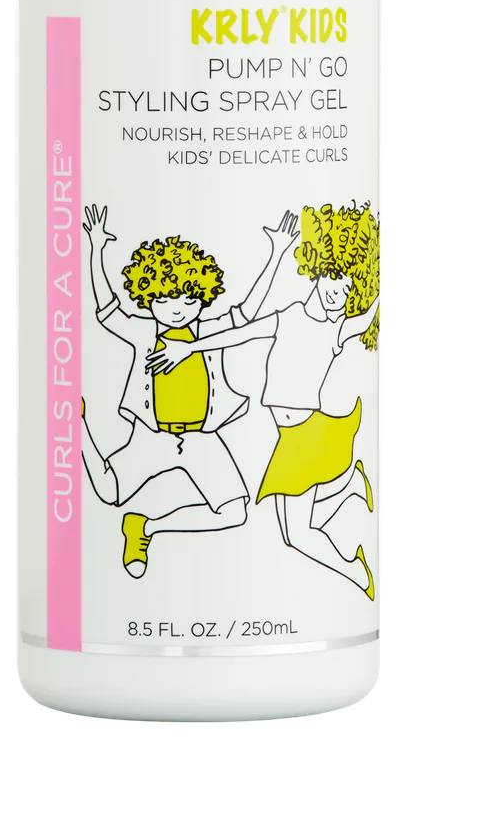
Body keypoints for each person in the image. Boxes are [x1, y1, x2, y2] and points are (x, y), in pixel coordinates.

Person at [147, 201, 379, 598]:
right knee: (295, 531)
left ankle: (359, 572)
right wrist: (191, 348)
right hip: (292, 436)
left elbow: (365, 317)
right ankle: (350, 486)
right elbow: (239, 333)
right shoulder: (287, 315)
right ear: (317, 271)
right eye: (333, 280)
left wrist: (375, 291)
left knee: (296, 534)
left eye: (347, 290)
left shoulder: (337, 331)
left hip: (308, 435)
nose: (336, 294)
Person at [80, 204, 299, 577]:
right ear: (149, 299)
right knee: (108, 491)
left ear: (202, 297)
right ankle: (76, 425)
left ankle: (145, 527)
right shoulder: (144, 332)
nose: (177, 309)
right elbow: (108, 311)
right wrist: (96, 249)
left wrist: (277, 253)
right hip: (152, 437)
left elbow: (247, 312)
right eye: (165, 300)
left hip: (201, 439)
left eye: (188, 299)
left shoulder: (209, 331)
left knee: (234, 513)